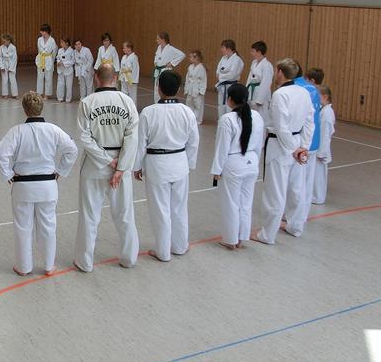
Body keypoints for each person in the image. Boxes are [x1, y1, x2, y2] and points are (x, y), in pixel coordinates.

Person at [0, 92, 78, 276]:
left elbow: (1, 153)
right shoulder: (53, 130)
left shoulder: (17, 131)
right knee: (48, 226)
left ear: (24, 109)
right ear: (42, 108)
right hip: (47, 185)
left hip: (22, 186)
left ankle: (23, 267)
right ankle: (49, 266)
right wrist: (61, 170)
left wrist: (7, 173)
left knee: (23, 227)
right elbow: (72, 150)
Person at [74, 64, 140, 272]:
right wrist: (120, 167)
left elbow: (84, 137)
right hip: (121, 163)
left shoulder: (87, 102)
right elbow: (132, 137)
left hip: (94, 166)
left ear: (96, 78)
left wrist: (106, 160)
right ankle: (129, 258)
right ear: (116, 78)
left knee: (89, 215)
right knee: (124, 214)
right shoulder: (127, 102)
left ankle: (85, 262)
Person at [133, 71, 200, 261]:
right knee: (179, 207)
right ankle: (180, 246)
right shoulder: (187, 112)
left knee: (160, 209)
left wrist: (137, 166)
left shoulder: (149, 112)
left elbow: (141, 143)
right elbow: (194, 142)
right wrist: (189, 164)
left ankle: (163, 251)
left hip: (157, 165)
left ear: (158, 88)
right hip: (180, 162)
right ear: (178, 89)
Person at [251, 58, 314, 245]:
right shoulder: (304, 92)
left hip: (280, 146)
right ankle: (295, 226)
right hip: (297, 143)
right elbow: (310, 122)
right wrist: (303, 147)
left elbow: (281, 126)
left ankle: (267, 234)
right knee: (296, 188)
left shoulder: (280, 94)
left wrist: (294, 149)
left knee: (275, 191)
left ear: (279, 72)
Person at [211, 83, 265, 250]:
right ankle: (242, 237)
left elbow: (222, 147)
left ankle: (230, 239)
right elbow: (259, 143)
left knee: (231, 203)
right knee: (246, 202)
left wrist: (217, 170)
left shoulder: (227, 119)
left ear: (230, 99)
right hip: (252, 161)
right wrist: (255, 160)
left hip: (233, 163)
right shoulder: (257, 116)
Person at [284, 66, 324, 237]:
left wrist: (301, 144)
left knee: (298, 183)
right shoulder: (312, 90)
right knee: (304, 181)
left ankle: (296, 219)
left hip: (301, 143)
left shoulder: (298, 89)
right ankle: (298, 216)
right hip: (311, 141)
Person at [313, 85, 335, 205]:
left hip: (322, 148)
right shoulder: (323, 110)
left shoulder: (327, 113)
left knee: (319, 174)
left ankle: (318, 197)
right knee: (316, 173)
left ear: (325, 96)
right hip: (319, 146)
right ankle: (315, 195)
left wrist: (322, 152)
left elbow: (325, 134)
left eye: (318, 95)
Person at [216, 39, 244, 118]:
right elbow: (218, 72)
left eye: (223, 47)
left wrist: (221, 76)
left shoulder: (237, 59)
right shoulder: (223, 58)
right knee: (221, 105)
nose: (221, 49)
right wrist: (221, 75)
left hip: (231, 86)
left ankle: (230, 121)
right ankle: (222, 120)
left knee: (229, 105)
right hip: (222, 85)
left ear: (228, 48)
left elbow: (232, 75)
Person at [153, 32, 185, 103]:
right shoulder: (159, 47)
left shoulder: (171, 49)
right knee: (156, 90)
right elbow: (156, 56)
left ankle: (164, 104)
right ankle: (157, 104)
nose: (156, 40)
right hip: (158, 71)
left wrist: (172, 63)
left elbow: (182, 55)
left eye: (158, 39)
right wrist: (155, 62)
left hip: (165, 70)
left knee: (164, 89)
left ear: (163, 40)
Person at [246, 41, 274, 122]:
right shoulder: (254, 63)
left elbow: (266, 83)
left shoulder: (267, 65)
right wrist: (246, 92)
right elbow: (249, 79)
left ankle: (261, 130)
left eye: (253, 51)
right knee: (252, 116)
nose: (251, 53)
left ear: (259, 52)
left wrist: (260, 100)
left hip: (261, 94)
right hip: (252, 91)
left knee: (261, 116)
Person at [183, 50, 207, 124]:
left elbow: (204, 80)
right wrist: (186, 89)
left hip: (198, 89)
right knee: (189, 103)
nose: (189, 58)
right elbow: (187, 78)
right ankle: (190, 118)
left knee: (198, 105)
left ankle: (198, 120)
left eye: (191, 57)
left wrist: (202, 91)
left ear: (196, 58)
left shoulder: (201, 67)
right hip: (190, 88)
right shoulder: (190, 67)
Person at [36, 24, 57, 98]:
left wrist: (51, 60)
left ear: (46, 31)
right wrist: (40, 57)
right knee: (40, 77)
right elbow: (39, 50)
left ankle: (47, 94)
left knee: (48, 77)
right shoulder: (39, 39)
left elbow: (54, 52)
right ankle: (39, 93)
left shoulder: (52, 40)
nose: (41, 32)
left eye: (42, 31)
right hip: (41, 58)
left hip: (48, 59)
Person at [0, 33, 18, 99]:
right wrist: (2, 67)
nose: (3, 43)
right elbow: (0, 57)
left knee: (12, 79)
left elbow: (14, 58)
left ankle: (15, 94)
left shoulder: (13, 47)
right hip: (4, 63)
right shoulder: (1, 47)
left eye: (5, 41)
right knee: (4, 79)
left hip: (11, 63)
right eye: (3, 41)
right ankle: (5, 94)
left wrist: (11, 68)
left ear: (8, 41)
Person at [56, 37, 75, 103]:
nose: (61, 44)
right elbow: (57, 57)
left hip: (68, 70)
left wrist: (64, 63)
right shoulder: (60, 50)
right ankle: (60, 97)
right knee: (60, 84)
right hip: (61, 69)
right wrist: (58, 62)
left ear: (67, 43)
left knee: (68, 85)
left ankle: (68, 99)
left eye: (62, 42)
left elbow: (73, 61)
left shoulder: (71, 51)